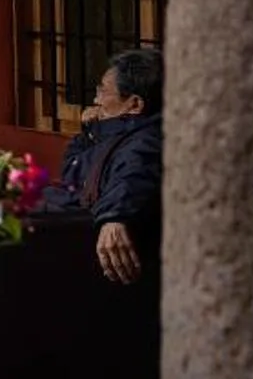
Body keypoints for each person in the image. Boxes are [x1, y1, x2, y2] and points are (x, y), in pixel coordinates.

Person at [39, 46, 162, 286]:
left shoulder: (144, 142)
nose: (96, 100)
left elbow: (135, 175)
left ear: (134, 104)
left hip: (61, 238)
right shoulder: (116, 133)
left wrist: (114, 217)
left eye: (103, 91)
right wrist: (89, 132)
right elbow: (71, 171)